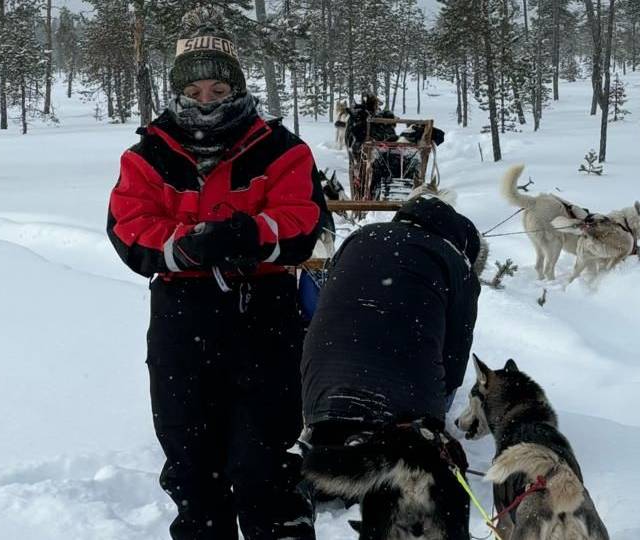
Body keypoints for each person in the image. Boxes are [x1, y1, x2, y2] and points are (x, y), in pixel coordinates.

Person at [106, 8, 324, 540]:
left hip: (264, 312)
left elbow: (304, 219)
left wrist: (248, 233)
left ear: (237, 87)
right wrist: (186, 245)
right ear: (178, 90)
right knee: (191, 466)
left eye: (219, 87)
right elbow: (128, 226)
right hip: (183, 317)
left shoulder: (281, 148)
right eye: (195, 89)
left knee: (264, 462)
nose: (207, 99)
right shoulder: (148, 154)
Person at [298, 189, 484, 538]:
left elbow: (330, 301)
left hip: (320, 379)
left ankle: (326, 460)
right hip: (402, 396)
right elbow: (455, 357)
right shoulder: (455, 263)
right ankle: (398, 451)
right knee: (416, 435)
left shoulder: (360, 237)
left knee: (339, 421)